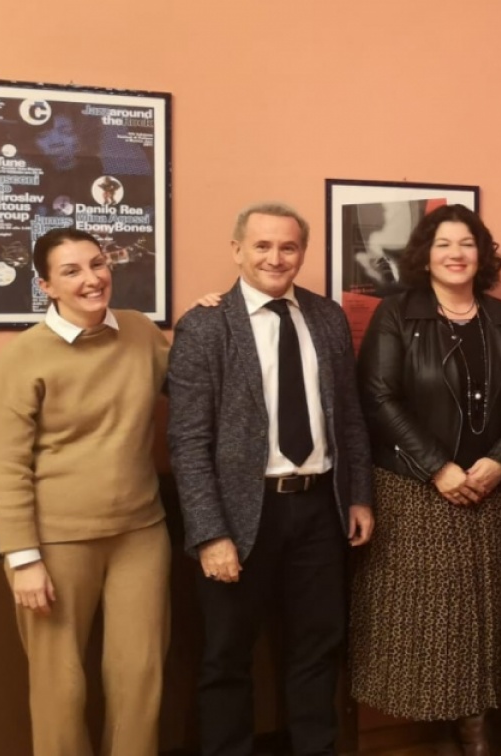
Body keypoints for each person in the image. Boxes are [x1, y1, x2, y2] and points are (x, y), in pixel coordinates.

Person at [168, 202, 375, 756]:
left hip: (320, 509)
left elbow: (349, 417)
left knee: (317, 647)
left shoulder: (326, 317)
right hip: (240, 513)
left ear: (302, 253)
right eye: (262, 246)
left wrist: (358, 496)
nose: (275, 258)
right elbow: (187, 442)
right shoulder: (205, 326)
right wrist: (210, 534)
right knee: (227, 656)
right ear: (237, 250)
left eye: (288, 247)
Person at [350, 204, 501, 754]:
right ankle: (452, 723)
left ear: (481, 255)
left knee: (495, 612)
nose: (456, 254)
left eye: (466, 243)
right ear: (425, 256)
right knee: (437, 621)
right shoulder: (397, 314)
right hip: (418, 492)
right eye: (443, 244)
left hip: (498, 490)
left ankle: (481, 717)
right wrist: (438, 466)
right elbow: (378, 397)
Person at [0, 228, 171, 756]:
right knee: (61, 687)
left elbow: (197, 381)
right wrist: (24, 558)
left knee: (140, 678)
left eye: (97, 264)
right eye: (71, 271)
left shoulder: (140, 332)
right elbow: (9, 465)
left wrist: (216, 313)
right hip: (55, 542)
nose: (91, 279)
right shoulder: (24, 356)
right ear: (46, 286)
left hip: (140, 533)